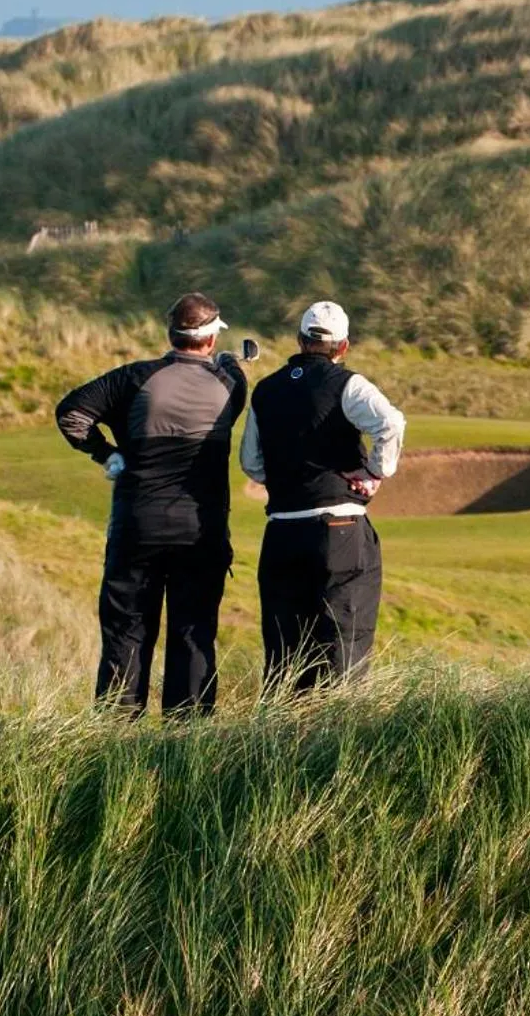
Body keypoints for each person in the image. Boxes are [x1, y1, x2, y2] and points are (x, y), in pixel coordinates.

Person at [54, 291, 247, 715]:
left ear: (170, 333)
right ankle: (188, 738)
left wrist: (107, 453)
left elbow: (71, 413)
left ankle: (115, 737)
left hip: (137, 526)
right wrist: (231, 360)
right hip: (200, 531)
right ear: (211, 340)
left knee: (127, 632)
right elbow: (231, 391)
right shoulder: (231, 384)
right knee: (193, 632)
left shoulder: (135, 377)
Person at [239, 300, 406, 691]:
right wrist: (374, 473)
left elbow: (251, 462)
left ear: (299, 340)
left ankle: (285, 746)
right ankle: (335, 744)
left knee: (285, 656)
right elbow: (391, 423)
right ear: (343, 347)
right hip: (340, 529)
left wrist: (288, 480)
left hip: (281, 533)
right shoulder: (348, 384)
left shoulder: (265, 391)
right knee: (342, 650)